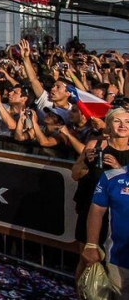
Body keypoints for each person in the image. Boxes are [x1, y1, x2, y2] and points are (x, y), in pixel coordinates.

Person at [74, 108, 129, 281]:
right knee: (87, 262)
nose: (123, 125)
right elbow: (75, 173)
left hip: (120, 216)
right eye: (117, 121)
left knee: (114, 266)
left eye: (127, 122)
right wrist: (85, 162)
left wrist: (119, 169)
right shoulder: (95, 145)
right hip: (92, 210)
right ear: (109, 125)